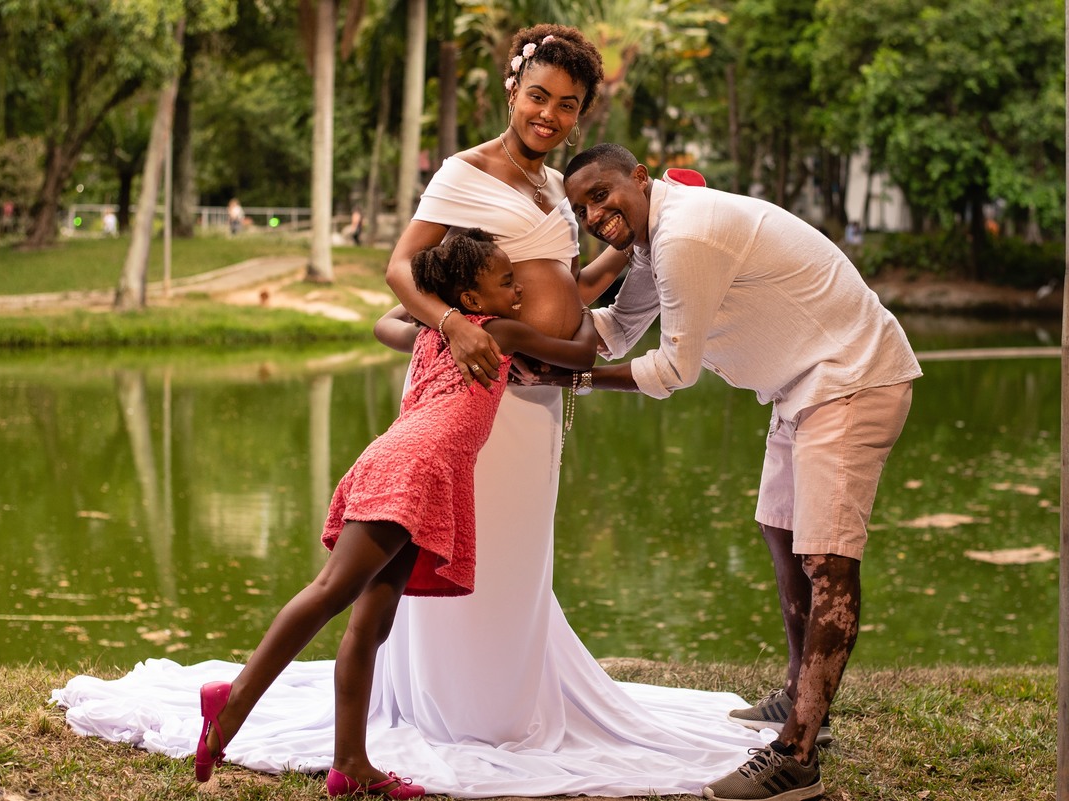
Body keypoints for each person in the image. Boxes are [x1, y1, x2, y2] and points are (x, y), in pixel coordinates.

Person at [52, 25, 766, 797]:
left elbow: (569, 289)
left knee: (456, 575)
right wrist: (456, 325)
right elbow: (400, 269)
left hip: (523, 405)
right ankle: (437, 712)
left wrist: (641, 232)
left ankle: (443, 723)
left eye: (567, 105)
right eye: (538, 96)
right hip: (464, 401)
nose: (549, 115)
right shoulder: (465, 173)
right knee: (384, 583)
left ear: (580, 114)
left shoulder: (556, 189)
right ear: (511, 90)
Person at [534, 142, 922, 801]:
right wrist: (529, 338)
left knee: (828, 562)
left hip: (851, 378)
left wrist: (578, 378)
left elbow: (674, 371)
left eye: (602, 195)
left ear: (639, 176)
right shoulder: (654, 243)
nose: (596, 214)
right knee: (780, 532)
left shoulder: (685, 235)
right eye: (583, 209)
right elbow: (622, 328)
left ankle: (797, 755)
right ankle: (805, 697)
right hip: (798, 387)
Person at [193, 229, 598, 797]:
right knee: (332, 590)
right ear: (473, 300)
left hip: (416, 463)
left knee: (372, 620)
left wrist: (438, 309)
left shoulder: (428, 331)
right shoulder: (500, 332)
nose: (519, 291)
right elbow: (582, 354)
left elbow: (389, 319)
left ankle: (349, 766)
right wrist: (579, 309)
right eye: (507, 282)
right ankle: (230, 703)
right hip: (416, 465)